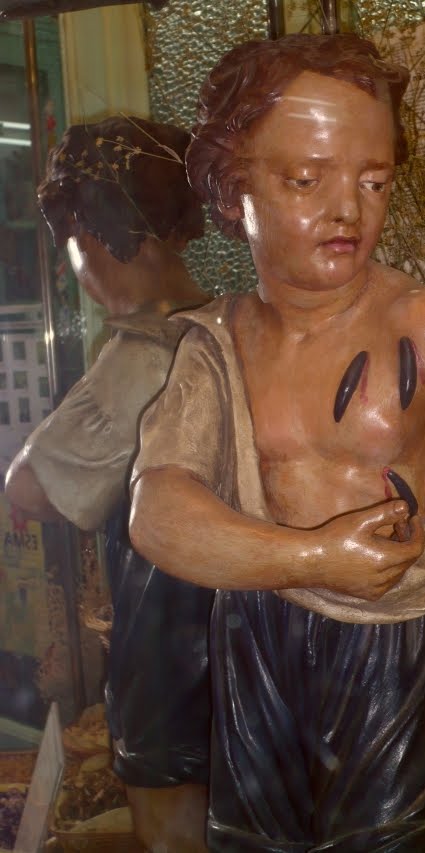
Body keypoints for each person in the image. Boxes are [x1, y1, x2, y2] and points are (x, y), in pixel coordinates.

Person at [129, 34, 425, 852]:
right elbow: (157, 513)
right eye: (306, 179)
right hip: (255, 626)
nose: (348, 211)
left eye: (374, 181)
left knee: (387, 838)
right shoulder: (216, 350)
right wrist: (313, 558)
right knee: (257, 837)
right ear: (232, 187)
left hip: (394, 638)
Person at [5, 116, 212, 853]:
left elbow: (31, 488)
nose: (72, 269)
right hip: (235, 634)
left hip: (168, 635)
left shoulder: (140, 358)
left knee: (171, 826)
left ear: (95, 237)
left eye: (70, 244)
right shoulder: (222, 326)